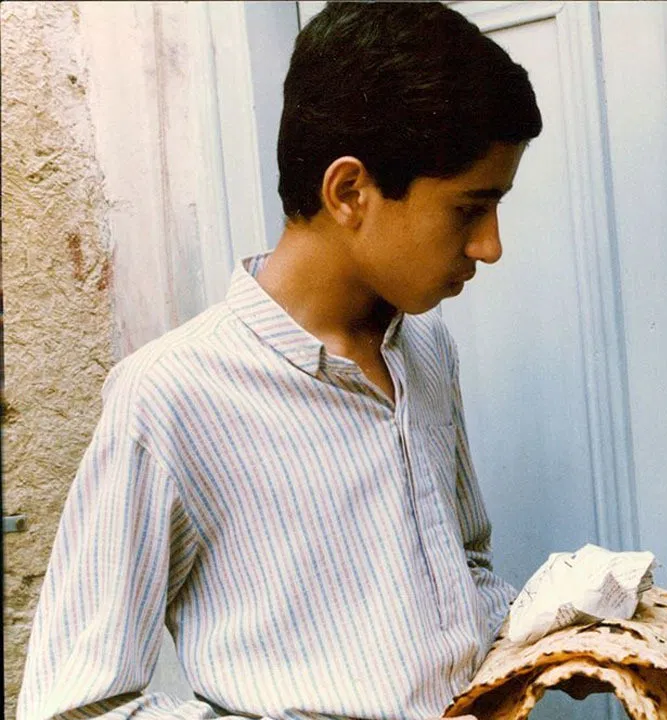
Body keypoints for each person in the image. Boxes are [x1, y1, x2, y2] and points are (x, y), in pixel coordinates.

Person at [18, 4, 540, 719]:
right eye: (469, 208)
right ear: (350, 191)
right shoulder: (171, 397)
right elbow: (75, 704)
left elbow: (467, 566)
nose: (490, 245)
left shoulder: (426, 352)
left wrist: (554, 638)